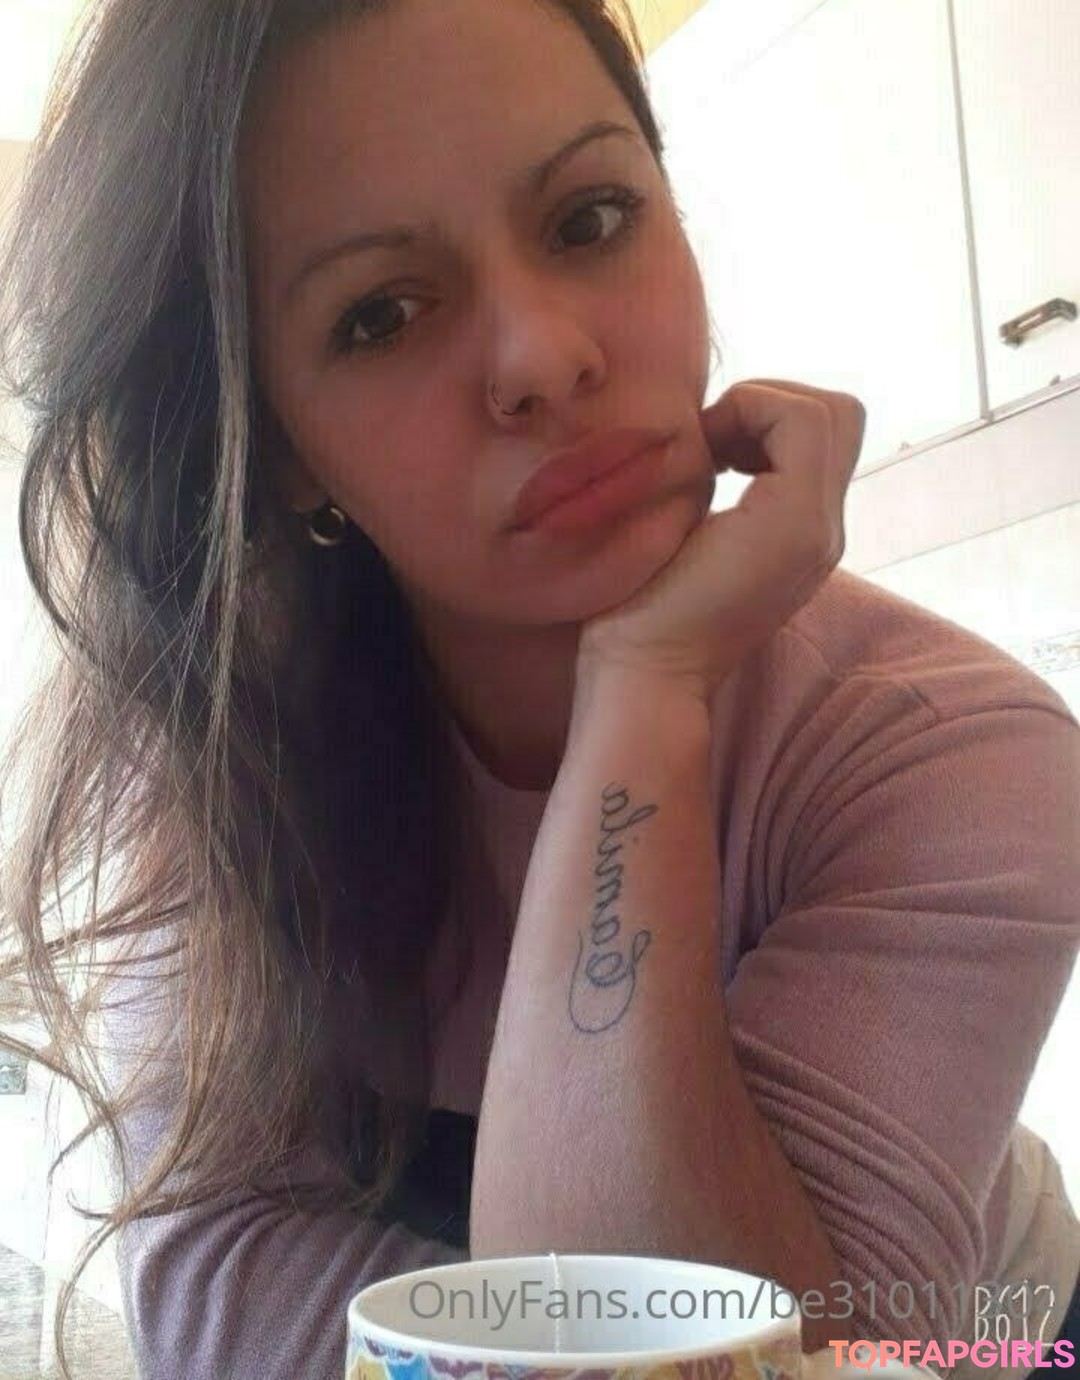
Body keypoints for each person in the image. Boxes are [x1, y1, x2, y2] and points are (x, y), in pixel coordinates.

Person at [0, 1, 1077, 1378]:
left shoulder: (950, 748)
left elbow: (702, 1362)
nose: (543, 356)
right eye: (382, 314)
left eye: (589, 218)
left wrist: (644, 687)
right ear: (282, 443)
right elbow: (219, 1313)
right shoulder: (210, 776)